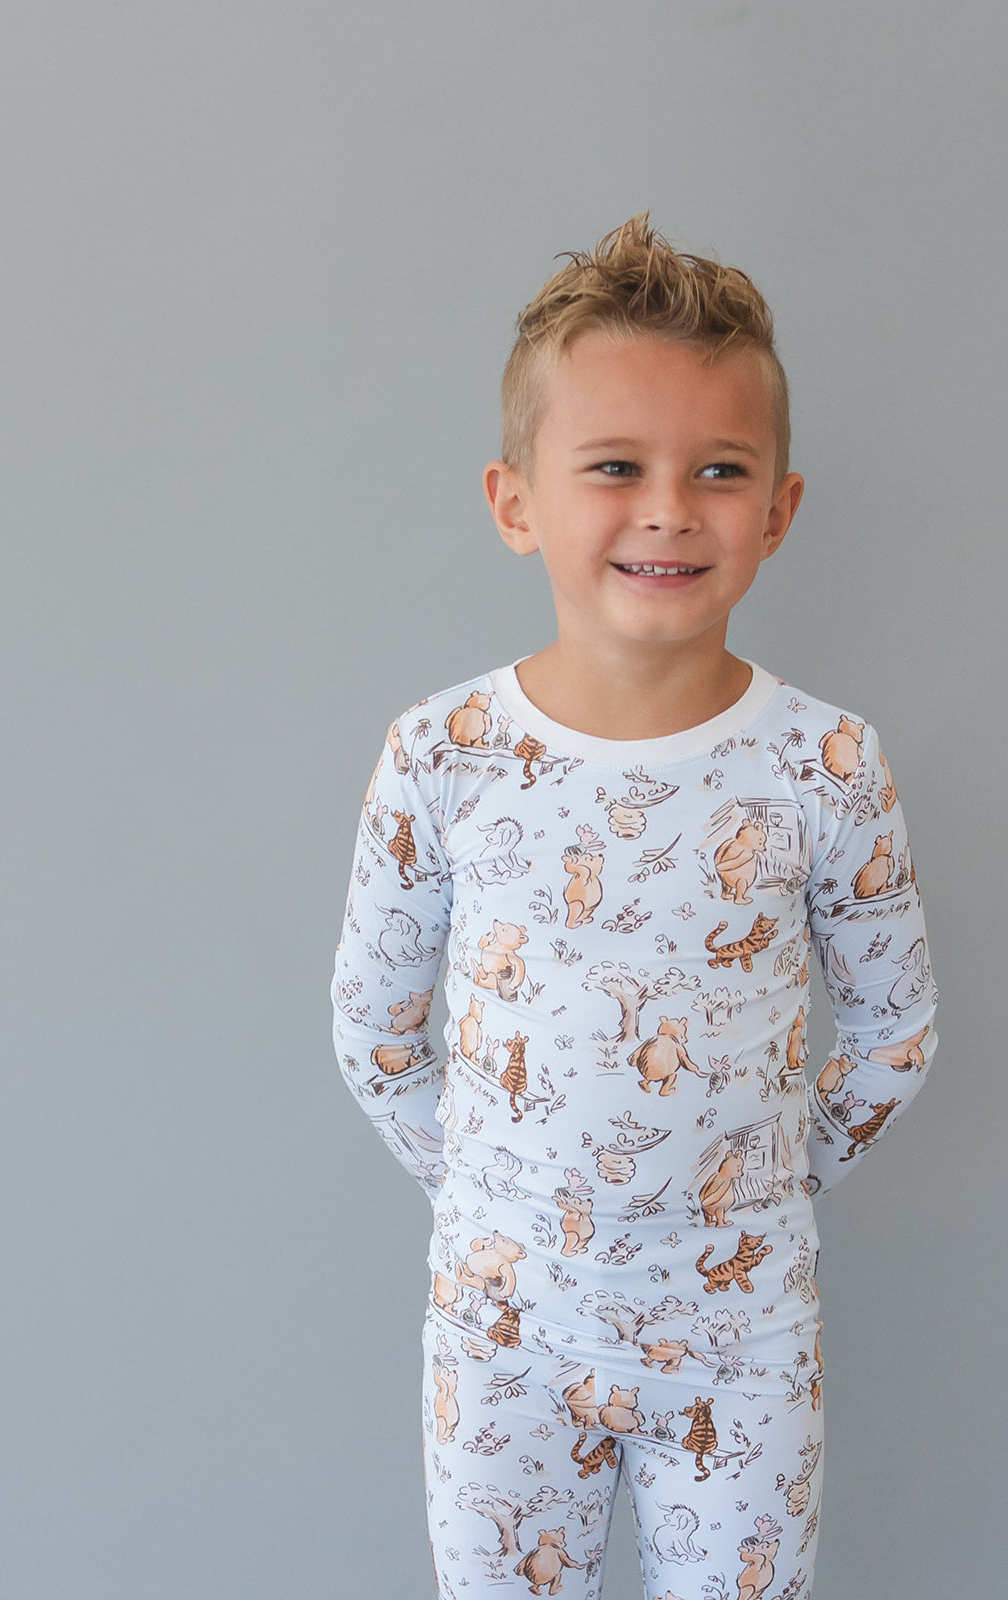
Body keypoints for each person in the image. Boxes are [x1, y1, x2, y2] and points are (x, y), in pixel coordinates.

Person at [329, 212, 938, 1600]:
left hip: (744, 1338)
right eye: (616, 466)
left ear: (779, 510)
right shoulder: (444, 756)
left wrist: (752, 1194)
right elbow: (374, 1031)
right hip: (504, 1334)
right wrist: (504, 1195)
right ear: (516, 502)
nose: (669, 507)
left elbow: (895, 1033)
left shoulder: (829, 764)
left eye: (720, 470)